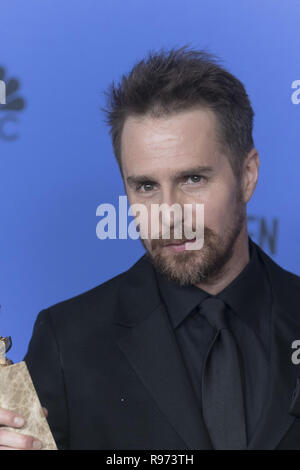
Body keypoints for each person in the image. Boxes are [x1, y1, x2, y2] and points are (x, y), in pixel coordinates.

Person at [1, 46, 300, 450]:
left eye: (193, 179)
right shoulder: (67, 341)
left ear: (247, 175)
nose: (168, 214)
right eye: (145, 187)